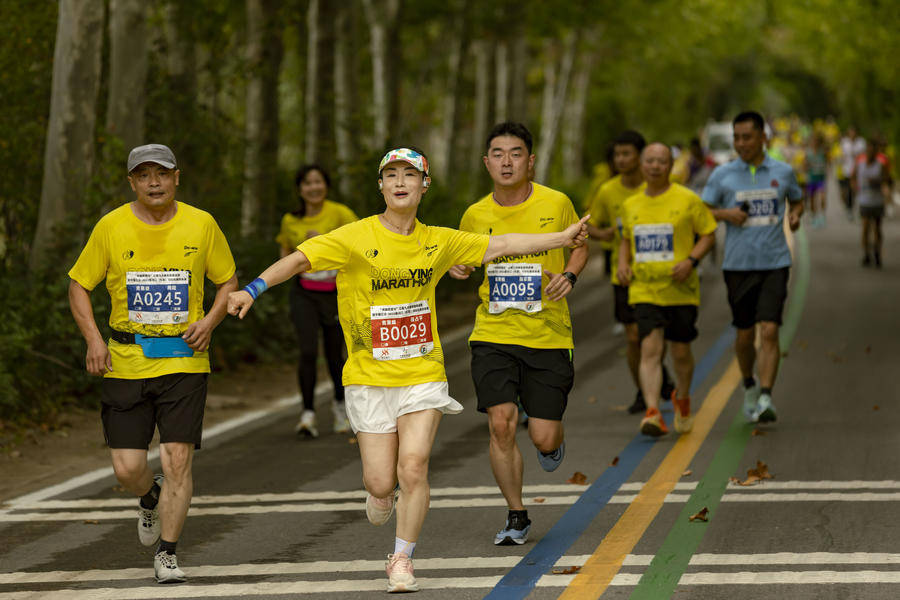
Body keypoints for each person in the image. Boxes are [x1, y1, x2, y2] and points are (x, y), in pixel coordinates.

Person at [227, 146, 589, 593]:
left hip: (422, 373)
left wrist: (561, 238)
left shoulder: (439, 240)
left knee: (414, 467)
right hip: (369, 377)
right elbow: (300, 259)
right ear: (381, 186)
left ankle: (402, 559)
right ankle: (379, 493)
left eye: (409, 175)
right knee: (381, 480)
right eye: (391, 175)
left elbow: (504, 244)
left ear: (424, 185)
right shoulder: (354, 236)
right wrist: (253, 288)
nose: (400, 182)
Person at [68, 144, 238, 583]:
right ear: (132, 183)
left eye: (161, 174)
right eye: (143, 176)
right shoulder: (111, 226)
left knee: (177, 457)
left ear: (176, 177)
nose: (154, 183)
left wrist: (210, 322)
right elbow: (78, 285)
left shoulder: (202, 224)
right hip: (126, 359)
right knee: (127, 468)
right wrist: (93, 340)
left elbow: (227, 281)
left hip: (184, 359)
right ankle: (149, 496)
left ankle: (168, 553)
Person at [447, 122, 587, 547]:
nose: (506, 161)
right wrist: (459, 267)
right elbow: (464, 258)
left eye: (515, 153)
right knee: (501, 424)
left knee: (544, 434)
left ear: (530, 160)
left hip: (547, 333)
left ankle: (549, 444)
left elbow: (580, 244)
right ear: (486, 162)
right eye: (497, 153)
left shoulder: (556, 202)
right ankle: (516, 514)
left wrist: (570, 274)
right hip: (493, 331)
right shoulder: (475, 215)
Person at [702, 111, 803, 423]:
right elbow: (702, 210)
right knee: (745, 336)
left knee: (770, 329)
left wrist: (795, 214)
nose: (741, 143)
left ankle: (766, 397)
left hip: (774, 262)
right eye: (737, 137)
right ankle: (749, 385)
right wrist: (726, 215)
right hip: (738, 266)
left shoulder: (783, 172)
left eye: (747, 137)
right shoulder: (722, 175)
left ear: (763, 138)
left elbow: (797, 199)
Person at [617, 143, 717, 436]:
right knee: (649, 347)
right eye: (650, 160)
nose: (655, 166)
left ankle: (682, 397)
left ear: (671, 165)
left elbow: (708, 234)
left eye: (662, 161)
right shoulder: (631, 204)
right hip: (645, 289)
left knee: (681, 352)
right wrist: (623, 264)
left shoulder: (687, 199)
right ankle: (652, 412)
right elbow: (625, 238)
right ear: (641, 164)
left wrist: (691, 261)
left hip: (681, 289)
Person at [585, 130, 675, 415]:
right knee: (634, 337)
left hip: (660, 274)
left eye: (627, 154)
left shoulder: (657, 188)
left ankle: (657, 375)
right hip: (623, 275)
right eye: (617, 155)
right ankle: (644, 388)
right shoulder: (608, 191)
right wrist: (607, 233)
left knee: (657, 335)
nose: (621, 160)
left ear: (641, 156)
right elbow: (588, 225)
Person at [276, 165, 358, 436]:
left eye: (318, 182)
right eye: (308, 183)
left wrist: (325, 244)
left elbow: (360, 244)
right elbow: (284, 253)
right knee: (308, 352)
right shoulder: (290, 220)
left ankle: (339, 407)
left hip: (335, 293)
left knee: (336, 355)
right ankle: (308, 413)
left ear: (326, 185)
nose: (313, 188)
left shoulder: (341, 213)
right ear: (300, 189)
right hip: (304, 293)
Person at [852, 140, 889, 267]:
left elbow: (887, 180)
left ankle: (877, 252)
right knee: (865, 227)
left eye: (873, 151)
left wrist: (879, 183)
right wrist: (855, 188)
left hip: (877, 201)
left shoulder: (880, 165)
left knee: (878, 228)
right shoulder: (860, 164)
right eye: (868, 151)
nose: (870, 153)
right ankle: (866, 254)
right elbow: (853, 176)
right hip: (864, 200)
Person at [839, 127, 866, 220]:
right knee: (848, 190)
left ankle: (859, 208)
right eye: (850, 132)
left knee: (857, 190)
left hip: (859, 170)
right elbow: (842, 155)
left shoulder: (861, 142)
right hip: (847, 169)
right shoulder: (845, 143)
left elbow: (863, 155)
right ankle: (849, 208)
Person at [804, 133, 828, 228]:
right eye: (813, 141)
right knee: (812, 199)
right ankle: (814, 217)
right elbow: (804, 165)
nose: (814, 143)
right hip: (811, 178)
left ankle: (822, 216)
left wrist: (826, 170)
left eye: (816, 141)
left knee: (822, 197)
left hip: (821, 178)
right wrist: (806, 167)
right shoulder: (808, 152)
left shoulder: (823, 152)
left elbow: (828, 162)